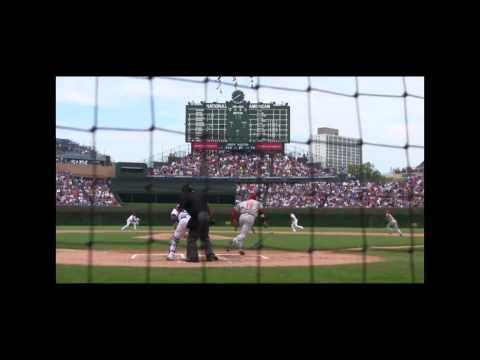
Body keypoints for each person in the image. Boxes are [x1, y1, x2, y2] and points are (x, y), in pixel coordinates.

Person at [178, 184, 218, 262]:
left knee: (192, 238)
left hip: (198, 217)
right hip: (206, 215)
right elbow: (207, 206)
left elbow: (180, 208)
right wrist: (210, 218)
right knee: (205, 237)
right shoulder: (199, 194)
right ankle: (210, 255)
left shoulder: (186, 196)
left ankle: (193, 257)